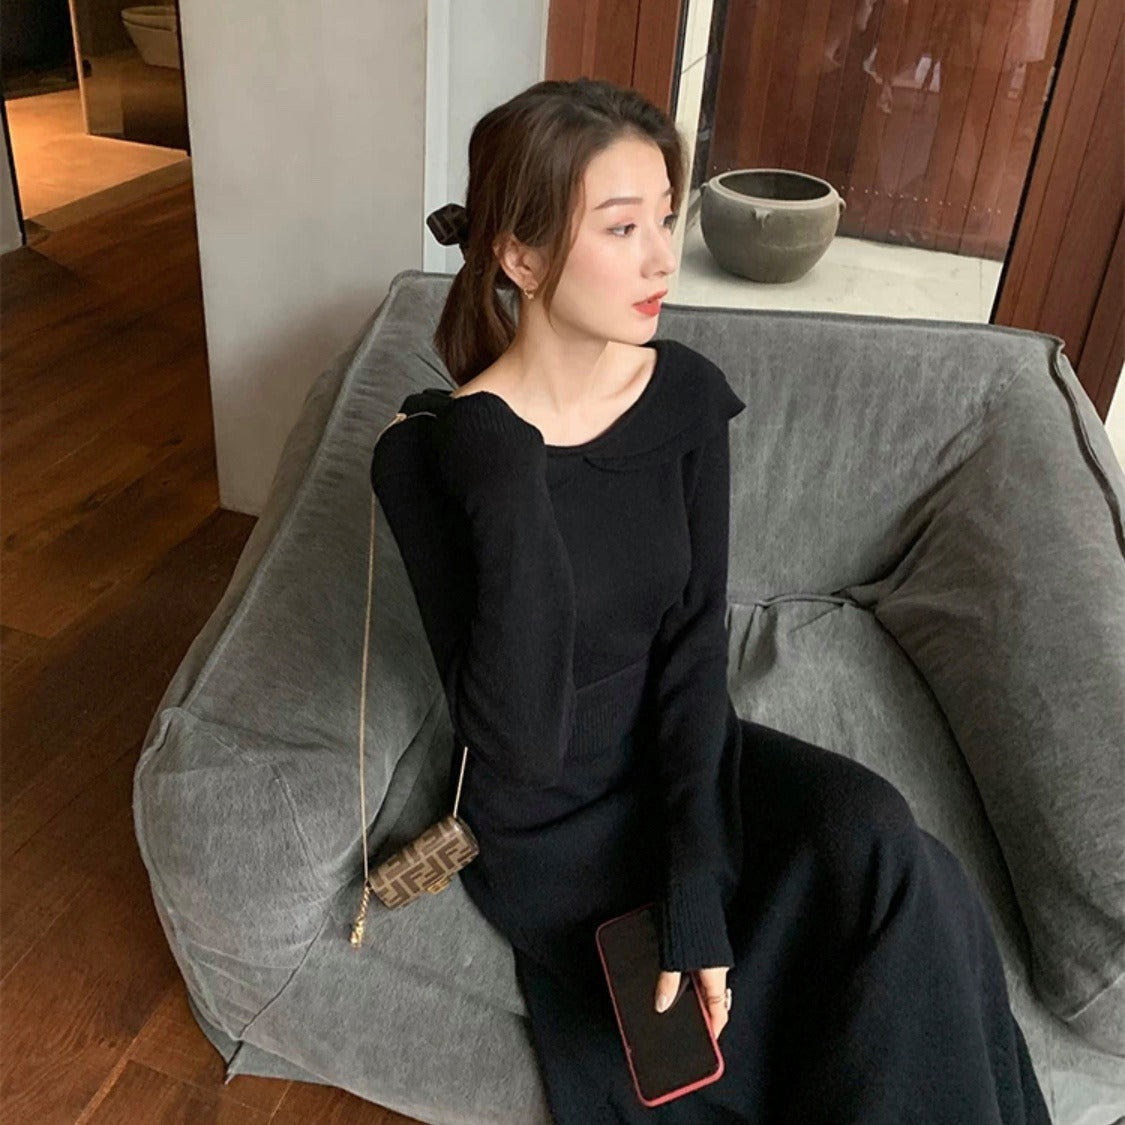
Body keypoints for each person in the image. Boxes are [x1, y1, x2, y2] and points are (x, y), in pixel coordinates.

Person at [370, 77, 1051, 1124]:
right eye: (623, 227)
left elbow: (693, 649)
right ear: (522, 255)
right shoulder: (436, 460)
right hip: (553, 833)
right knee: (802, 1000)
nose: (661, 260)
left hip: (684, 761)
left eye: (665, 219)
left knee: (882, 840)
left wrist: (697, 888)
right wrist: (504, 475)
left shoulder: (680, 393)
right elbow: (521, 744)